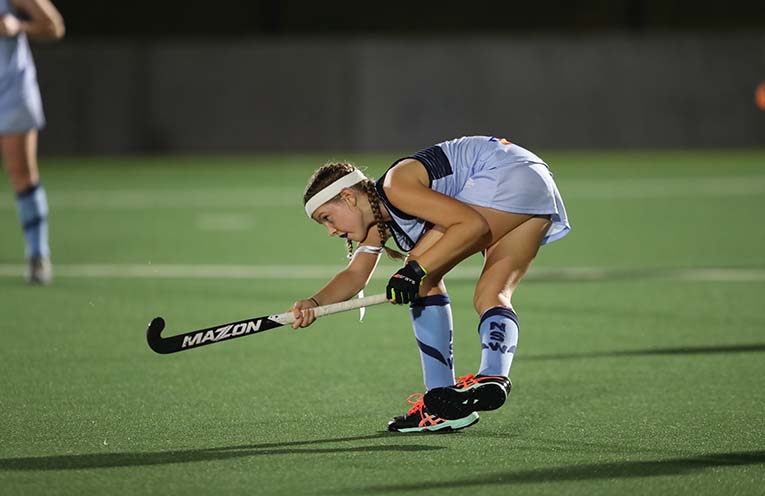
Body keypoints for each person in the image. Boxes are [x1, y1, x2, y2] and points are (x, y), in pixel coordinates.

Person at [291, 135, 570, 433]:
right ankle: (493, 376)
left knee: (421, 273)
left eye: (327, 218)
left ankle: (439, 401)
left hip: (503, 173)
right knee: (492, 294)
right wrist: (314, 305)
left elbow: (472, 225)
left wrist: (414, 271)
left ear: (348, 197)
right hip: (537, 184)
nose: (331, 231)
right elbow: (355, 276)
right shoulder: (379, 224)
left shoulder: (395, 186)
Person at [0, 0, 64, 284]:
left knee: (22, 174)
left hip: (11, 90)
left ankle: (38, 255)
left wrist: (18, 26)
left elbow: (54, 26)